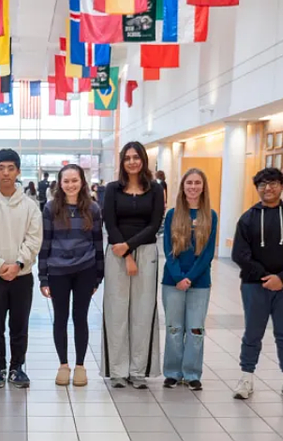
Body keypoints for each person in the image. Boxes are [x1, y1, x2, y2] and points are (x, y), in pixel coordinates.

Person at [231, 168, 283, 403]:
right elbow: (240, 254)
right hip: (255, 286)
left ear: (282, 186)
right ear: (257, 188)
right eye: (263, 184)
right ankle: (246, 379)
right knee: (252, 333)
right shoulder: (248, 218)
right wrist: (266, 276)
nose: (268, 188)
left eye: (273, 183)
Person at [0, 149, 42, 389]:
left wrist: (19, 264)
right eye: (1, 168)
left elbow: (34, 239)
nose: (5, 173)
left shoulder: (30, 206)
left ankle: (17, 368)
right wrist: (0, 264)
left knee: (19, 325)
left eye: (10, 168)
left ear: (18, 171)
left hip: (22, 276)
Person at [101, 142, 165, 389]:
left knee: (143, 310)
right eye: (127, 158)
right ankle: (118, 370)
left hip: (146, 252)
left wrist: (131, 248)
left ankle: (138, 371)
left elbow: (154, 223)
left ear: (143, 160)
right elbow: (110, 222)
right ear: (122, 162)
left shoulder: (156, 190)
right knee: (117, 311)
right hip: (117, 252)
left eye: (136, 157)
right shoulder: (112, 189)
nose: (132, 162)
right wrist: (125, 254)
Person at [39, 164, 104, 387]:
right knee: (60, 318)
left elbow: (98, 244)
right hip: (58, 271)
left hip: (85, 269)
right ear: (59, 184)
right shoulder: (50, 209)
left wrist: (98, 275)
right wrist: (43, 276)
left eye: (74, 180)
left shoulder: (93, 209)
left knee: (80, 318)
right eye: (66, 181)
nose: (70, 185)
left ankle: (80, 366)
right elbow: (44, 243)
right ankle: (63, 365)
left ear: (82, 182)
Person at [161, 168, 217, 391]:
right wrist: (178, 276)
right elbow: (167, 248)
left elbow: (208, 253)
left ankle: (192, 373)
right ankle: (173, 373)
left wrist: (190, 278)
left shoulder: (210, 215)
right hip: (172, 282)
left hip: (199, 283)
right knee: (174, 328)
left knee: (195, 329)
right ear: (183, 187)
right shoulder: (172, 215)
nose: (193, 187)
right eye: (189, 183)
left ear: (203, 187)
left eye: (197, 183)